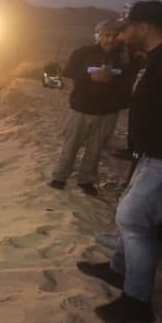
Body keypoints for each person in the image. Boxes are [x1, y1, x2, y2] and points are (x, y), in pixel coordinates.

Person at [77, 1, 162, 323]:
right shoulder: (158, 54)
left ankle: (136, 302)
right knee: (129, 212)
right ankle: (118, 269)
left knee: (132, 219)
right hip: (152, 153)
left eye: (125, 29)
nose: (122, 35)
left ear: (143, 27)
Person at [49, 20, 128, 196]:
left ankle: (86, 181)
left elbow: (128, 83)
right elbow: (69, 75)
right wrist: (89, 76)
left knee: (95, 149)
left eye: (115, 35)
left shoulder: (124, 58)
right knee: (71, 145)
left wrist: (113, 82)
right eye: (106, 35)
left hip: (107, 112)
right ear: (99, 36)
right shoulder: (83, 53)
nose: (110, 39)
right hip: (80, 109)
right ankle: (59, 177)